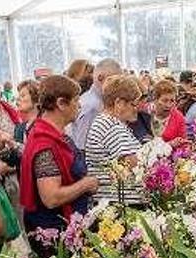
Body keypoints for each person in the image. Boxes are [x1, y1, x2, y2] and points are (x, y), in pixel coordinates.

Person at [20, 76, 98, 258]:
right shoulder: (44, 143)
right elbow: (51, 197)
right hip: (55, 234)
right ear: (61, 103)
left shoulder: (55, 135)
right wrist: (85, 184)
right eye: (76, 101)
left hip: (67, 226)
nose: (79, 106)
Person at [84, 75, 145, 206]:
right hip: (120, 207)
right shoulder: (112, 127)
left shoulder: (107, 122)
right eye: (133, 104)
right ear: (119, 103)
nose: (136, 109)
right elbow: (134, 163)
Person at [71, 58, 122, 150]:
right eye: (116, 81)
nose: (119, 86)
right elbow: (82, 147)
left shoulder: (97, 101)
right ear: (100, 78)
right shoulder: (92, 106)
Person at [150, 79, 187, 147]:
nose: (168, 105)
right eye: (165, 100)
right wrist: (169, 144)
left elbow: (183, 144)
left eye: (172, 101)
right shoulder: (145, 115)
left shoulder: (178, 117)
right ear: (155, 100)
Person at [15, 79, 40, 144]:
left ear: (36, 99)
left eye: (23, 96)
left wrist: (13, 144)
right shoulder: (19, 129)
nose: (18, 99)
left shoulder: (43, 126)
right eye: (19, 96)